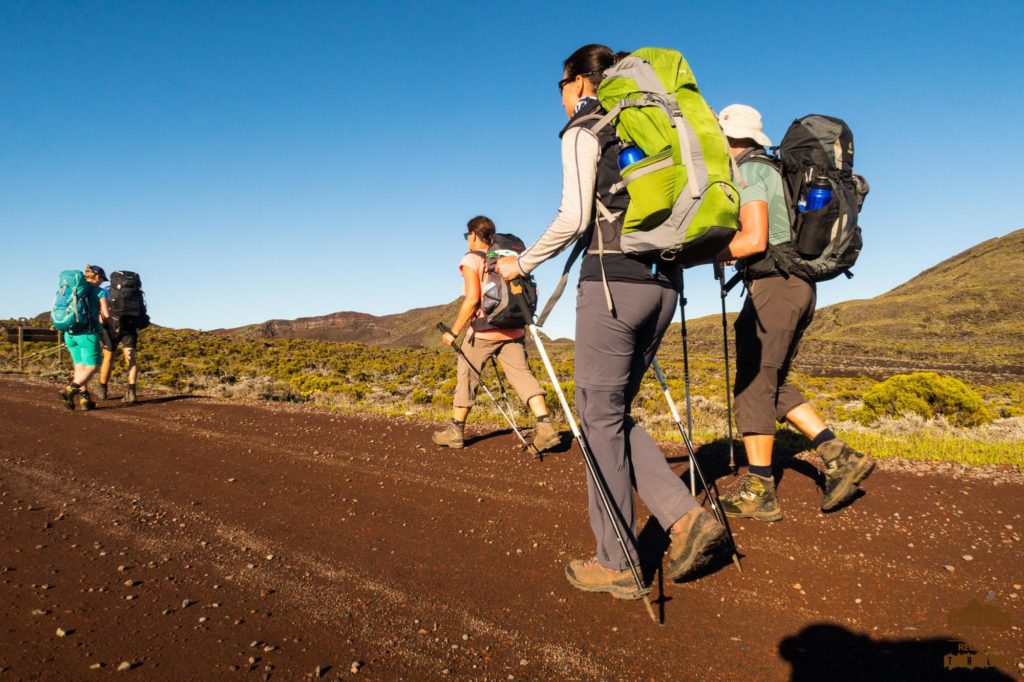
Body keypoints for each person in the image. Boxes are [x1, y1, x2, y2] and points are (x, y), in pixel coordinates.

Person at [495, 45, 727, 600]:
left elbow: (575, 217)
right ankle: (668, 524)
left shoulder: (587, 126)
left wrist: (520, 263)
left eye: (560, 86)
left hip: (611, 287)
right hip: (665, 286)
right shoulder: (657, 122)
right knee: (611, 415)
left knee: (597, 419)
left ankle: (629, 555)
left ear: (577, 83)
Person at [715, 103, 875, 520]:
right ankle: (839, 456)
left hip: (776, 288)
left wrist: (703, 254)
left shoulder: (749, 170)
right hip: (796, 285)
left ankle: (759, 489)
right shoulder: (770, 169)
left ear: (727, 137)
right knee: (775, 381)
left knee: (753, 384)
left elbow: (753, 240)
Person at [433, 215, 561, 453]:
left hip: (484, 331)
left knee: (467, 378)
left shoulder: (472, 258)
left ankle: (455, 432)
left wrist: (453, 331)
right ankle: (545, 428)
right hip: (513, 329)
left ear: (473, 235)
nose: (467, 240)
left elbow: (472, 299)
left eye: (467, 236)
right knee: (523, 376)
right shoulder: (508, 258)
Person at [59, 265, 110, 411]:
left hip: (69, 333)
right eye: (102, 279)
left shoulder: (72, 290)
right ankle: (69, 390)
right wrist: (110, 328)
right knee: (93, 366)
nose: (102, 282)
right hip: (87, 334)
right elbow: (105, 315)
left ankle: (84, 400)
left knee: (80, 366)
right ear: (98, 277)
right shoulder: (99, 292)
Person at [98, 279, 142, 404]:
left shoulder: (106, 291)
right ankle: (131, 391)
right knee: (131, 359)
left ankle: (103, 389)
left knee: (108, 358)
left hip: (111, 327)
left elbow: (102, 312)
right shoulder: (135, 292)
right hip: (130, 327)